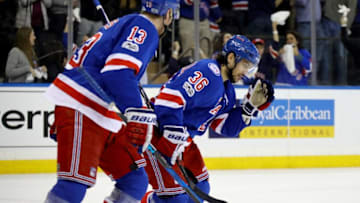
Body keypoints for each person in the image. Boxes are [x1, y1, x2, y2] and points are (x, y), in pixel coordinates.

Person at [44, 0, 179, 202]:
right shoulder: (146, 28)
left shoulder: (128, 22)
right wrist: (138, 113)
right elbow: (117, 73)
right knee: (74, 182)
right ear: (168, 13)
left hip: (99, 108)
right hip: (81, 101)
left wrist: (136, 108)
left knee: (134, 179)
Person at [141, 35, 275, 203]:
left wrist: (249, 108)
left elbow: (224, 128)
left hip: (183, 143)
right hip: (159, 135)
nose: (246, 73)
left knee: (201, 188)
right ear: (231, 58)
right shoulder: (208, 71)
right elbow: (170, 98)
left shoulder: (228, 92)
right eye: (245, 65)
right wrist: (171, 136)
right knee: (175, 199)